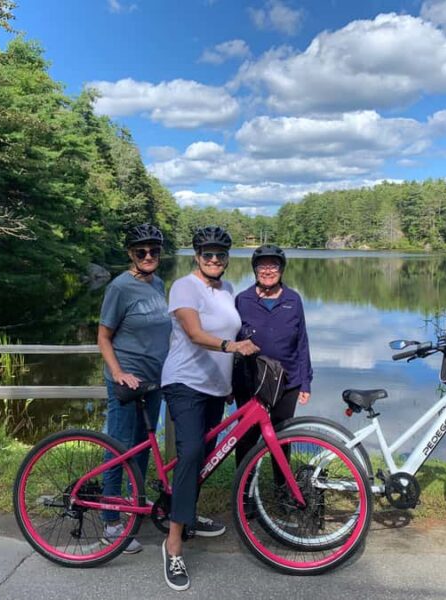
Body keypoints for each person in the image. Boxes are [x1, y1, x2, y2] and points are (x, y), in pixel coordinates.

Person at [160, 226, 259, 591]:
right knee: (190, 455)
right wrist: (234, 349)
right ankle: (173, 546)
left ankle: (185, 515)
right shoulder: (185, 286)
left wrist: (229, 382)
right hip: (184, 383)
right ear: (197, 256)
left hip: (216, 388)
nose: (214, 259)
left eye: (220, 254)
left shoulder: (228, 289)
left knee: (204, 458)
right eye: (207, 254)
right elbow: (195, 333)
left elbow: (230, 331)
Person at [97, 223, 170, 554]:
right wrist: (117, 373)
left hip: (153, 383)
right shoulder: (119, 287)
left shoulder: (158, 284)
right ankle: (111, 521)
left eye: (154, 250)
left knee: (142, 447)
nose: (148, 256)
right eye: (141, 251)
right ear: (130, 254)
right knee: (120, 448)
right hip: (127, 383)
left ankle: (133, 498)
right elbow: (103, 337)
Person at [233, 244, 313, 470]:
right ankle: (245, 490)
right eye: (262, 266)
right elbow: (233, 343)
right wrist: (230, 384)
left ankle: (282, 490)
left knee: (282, 437)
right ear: (255, 270)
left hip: (287, 382)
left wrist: (305, 381)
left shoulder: (293, 300)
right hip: (250, 383)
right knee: (247, 437)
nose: (268, 271)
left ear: (282, 269)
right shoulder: (242, 300)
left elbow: (302, 342)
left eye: (273, 266)